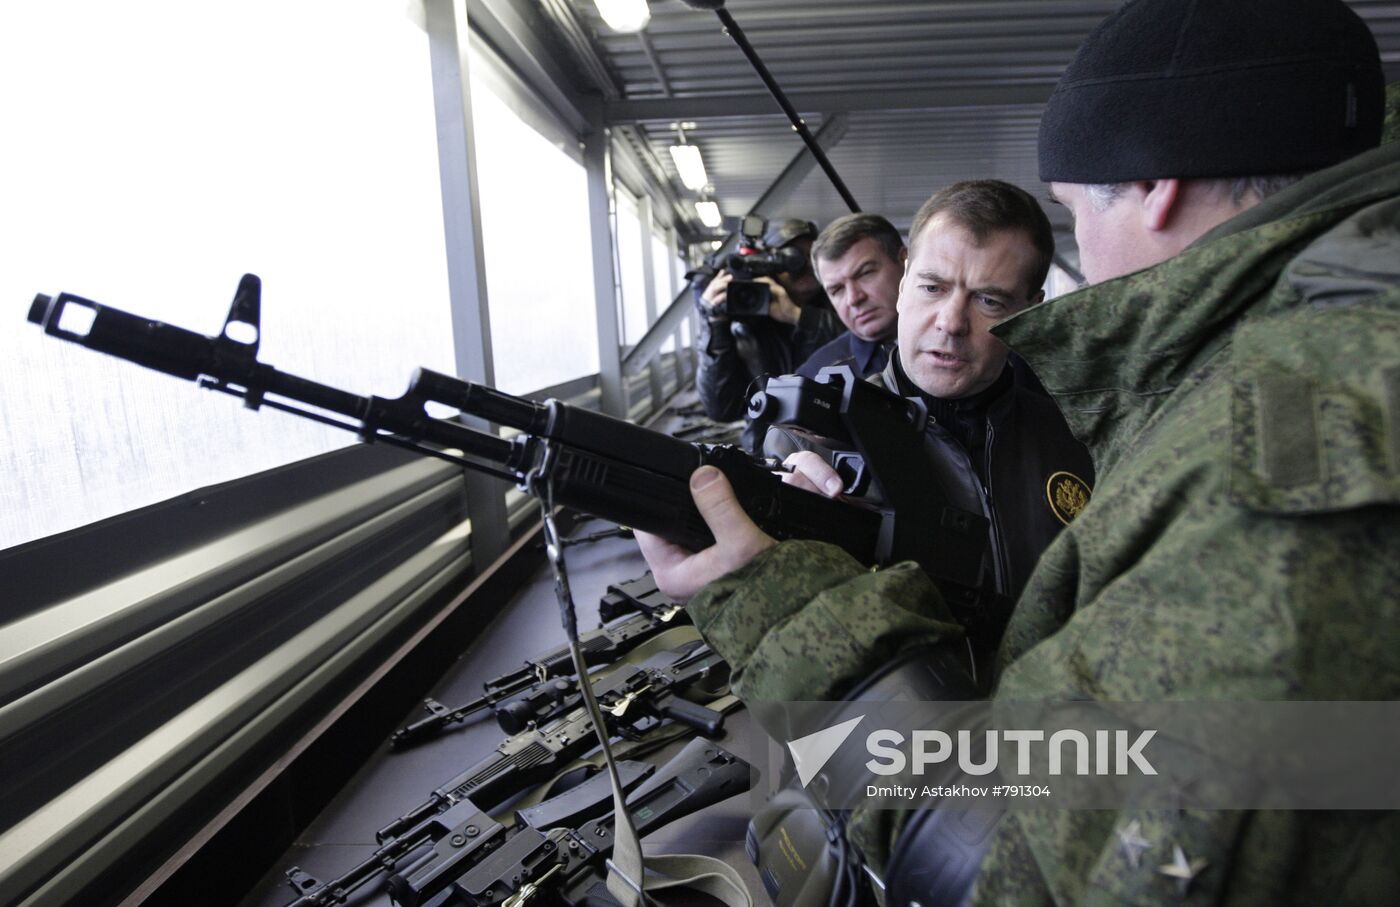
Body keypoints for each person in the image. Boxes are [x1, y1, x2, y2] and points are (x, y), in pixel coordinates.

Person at [639, 0, 1400, 903]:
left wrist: (780, 609)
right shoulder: (1305, 367)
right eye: (930, 286)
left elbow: (1022, 865)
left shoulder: (1274, 446)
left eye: (1077, 212)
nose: (951, 323)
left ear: (1153, 186)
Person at [775, 182, 1093, 652]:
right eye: (932, 287)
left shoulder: (1085, 437)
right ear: (903, 289)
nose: (950, 322)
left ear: (1030, 314)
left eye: (989, 300)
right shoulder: (809, 447)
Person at [694, 218, 843, 449]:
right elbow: (721, 408)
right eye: (792, 258)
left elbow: (863, 346)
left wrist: (798, 316)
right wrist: (714, 324)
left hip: (833, 446)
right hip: (768, 451)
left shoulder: (842, 303)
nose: (804, 266)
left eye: (812, 257)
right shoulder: (746, 321)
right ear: (767, 264)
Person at [794, 213, 904, 379]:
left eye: (865, 273)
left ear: (905, 261)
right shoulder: (814, 378)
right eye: (837, 290)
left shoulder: (955, 334)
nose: (853, 299)